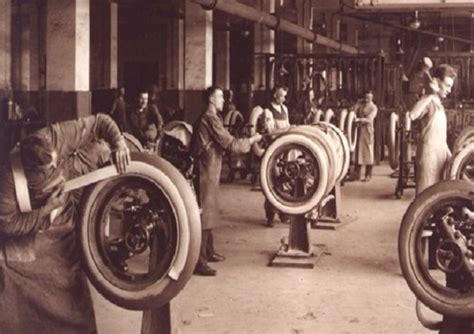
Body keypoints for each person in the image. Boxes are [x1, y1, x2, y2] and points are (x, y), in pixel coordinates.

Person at [0, 114, 130, 333]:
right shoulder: (7, 180)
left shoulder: (54, 136)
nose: (54, 170)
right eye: (46, 171)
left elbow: (100, 121)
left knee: (71, 284)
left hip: (63, 222)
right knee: (9, 268)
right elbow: (7, 224)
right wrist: (45, 211)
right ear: (29, 171)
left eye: (54, 163)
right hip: (33, 227)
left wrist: (119, 143)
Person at [191, 86, 262, 276]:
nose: (224, 100)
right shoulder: (210, 119)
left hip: (211, 168)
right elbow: (230, 144)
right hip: (205, 169)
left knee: (210, 209)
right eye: (221, 97)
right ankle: (199, 261)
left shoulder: (211, 118)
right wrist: (253, 140)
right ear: (212, 100)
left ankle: (209, 251)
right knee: (205, 213)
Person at [409, 64, 456, 195]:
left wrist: (451, 157)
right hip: (429, 157)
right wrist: (429, 94)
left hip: (440, 156)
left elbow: (441, 137)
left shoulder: (438, 104)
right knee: (426, 200)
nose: (449, 90)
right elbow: (412, 114)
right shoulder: (429, 101)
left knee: (439, 200)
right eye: (447, 85)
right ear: (436, 81)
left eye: (451, 87)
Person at [264, 86, 291, 227]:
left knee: (284, 181)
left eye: (284, 96)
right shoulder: (268, 111)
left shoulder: (285, 109)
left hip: (284, 150)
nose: (283, 99)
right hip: (273, 150)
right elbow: (270, 131)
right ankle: (270, 216)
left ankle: (284, 213)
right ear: (275, 95)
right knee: (271, 182)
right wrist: (286, 130)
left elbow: (288, 125)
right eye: (281, 96)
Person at [351, 91, 378, 182]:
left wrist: (359, 120)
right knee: (358, 152)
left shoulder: (373, 107)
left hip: (367, 130)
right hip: (359, 131)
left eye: (369, 98)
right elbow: (353, 111)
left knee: (368, 153)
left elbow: (370, 119)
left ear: (372, 98)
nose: (367, 99)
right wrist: (357, 104)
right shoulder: (361, 106)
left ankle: (368, 174)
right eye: (366, 97)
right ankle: (356, 174)